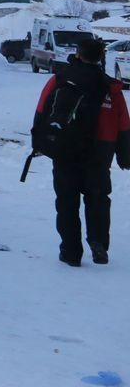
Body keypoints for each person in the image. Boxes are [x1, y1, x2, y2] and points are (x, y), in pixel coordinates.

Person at [33, 38, 130, 266]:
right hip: (100, 151)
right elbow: (124, 125)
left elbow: (41, 111)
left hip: (66, 149)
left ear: (78, 54)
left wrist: (40, 142)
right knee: (98, 198)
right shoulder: (111, 88)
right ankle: (98, 244)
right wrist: (125, 156)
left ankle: (70, 252)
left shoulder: (60, 79)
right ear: (100, 57)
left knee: (67, 200)